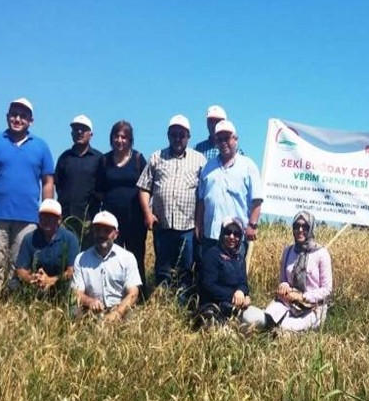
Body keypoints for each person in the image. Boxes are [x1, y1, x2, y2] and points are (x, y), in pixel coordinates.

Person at [0, 98, 55, 305]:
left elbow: (47, 181)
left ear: (31, 120)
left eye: (23, 116)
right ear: (7, 116)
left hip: (28, 217)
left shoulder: (41, 146)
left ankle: (12, 305)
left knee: (20, 265)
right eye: (14, 114)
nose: (18, 119)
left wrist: (47, 214)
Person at [137, 115, 205, 295]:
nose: (177, 138)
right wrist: (147, 214)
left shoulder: (199, 160)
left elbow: (203, 196)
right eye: (174, 134)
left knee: (186, 272)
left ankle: (182, 308)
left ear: (188, 136)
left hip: (187, 228)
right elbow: (144, 188)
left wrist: (199, 223)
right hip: (163, 226)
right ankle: (163, 305)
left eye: (181, 135)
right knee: (163, 271)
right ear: (168, 135)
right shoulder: (156, 157)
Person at [241, 212, 333, 332]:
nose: (300, 230)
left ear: (311, 228)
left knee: (285, 329)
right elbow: (283, 280)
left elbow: (327, 289)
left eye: (304, 226)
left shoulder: (321, 253)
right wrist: (284, 286)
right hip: (288, 303)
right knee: (263, 320)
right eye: (296, 226)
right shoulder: (288, 251)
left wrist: (303, 297)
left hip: (312, 307)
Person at [96, 120, 148, 295]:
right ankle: (114, 294)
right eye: (116, 136)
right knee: (111, 257)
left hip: (135, 218)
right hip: (111, 220)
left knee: (136, 257)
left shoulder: (139, 159)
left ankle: (140, 296)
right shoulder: (104, 160)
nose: (120, 140)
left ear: (130, 139)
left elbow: (147, 188)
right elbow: (99, 190)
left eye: (124, 137)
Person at [196, 120, 263, 253]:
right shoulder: (208, 168)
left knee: (233, 274)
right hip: (211, 236)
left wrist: (252, 225)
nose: (223, 143)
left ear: (235, 139)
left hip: (236, 237)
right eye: (219, 139)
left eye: (227, 138)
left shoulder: (248, 166)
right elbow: (202, 200)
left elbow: (257, 201)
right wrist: (198, 225)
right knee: (209, 273)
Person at [72, 211, 141, 322]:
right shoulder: (81, 259)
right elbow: (76, 293)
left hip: (119, 308)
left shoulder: (127, 257)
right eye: (98, 230)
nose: (101, 234)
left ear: (116, 234)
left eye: (107, 231)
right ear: (93, 232)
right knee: (74, 312)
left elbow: (133, 293)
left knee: (134, 319)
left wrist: (117, 313)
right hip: (91, 310)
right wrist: (89, 301)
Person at [14, 199, 79, 300]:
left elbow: (71, 271)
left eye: (51, 217)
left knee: (71, 286)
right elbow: (21, 269)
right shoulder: (29, 238)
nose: (46, 220)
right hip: (36, 283)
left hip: (59, 284)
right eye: (43, 216)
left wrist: (51, 280)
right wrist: (33, 279)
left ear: (59, 219)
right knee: (13, 285)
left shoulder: (70, 239)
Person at [55, 115, 102, 248]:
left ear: (90, 134)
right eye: (76, 129)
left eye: (83, 129)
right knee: (64, 254)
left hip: (88, 220)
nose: (79, 132)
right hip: (65, 219)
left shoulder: (99, 159)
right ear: (72, 133)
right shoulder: (64, 158)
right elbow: (58, 185)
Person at [195, 217, 251, 327]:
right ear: (221, 234)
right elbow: (208, 285)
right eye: (228, 232)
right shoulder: (212, 254)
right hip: (213, 306)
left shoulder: (240, 259)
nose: (232, 237)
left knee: (258, 319)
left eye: (236, 234)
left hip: (235, 306)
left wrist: (243, 293)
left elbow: (244, 284)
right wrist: (233, 296)